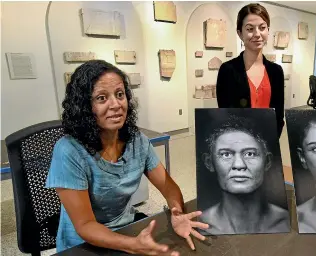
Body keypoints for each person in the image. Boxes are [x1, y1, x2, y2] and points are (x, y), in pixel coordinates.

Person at [45, 60, 209, 255]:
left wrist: (177, 213)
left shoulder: (137, 141)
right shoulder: (69, 151)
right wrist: (134, 246)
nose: (116, 105)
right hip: (82, 244)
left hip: (126, 229)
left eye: (120, 94)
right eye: (102, 98)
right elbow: (85, 225)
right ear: (85, 106)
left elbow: (168, 186)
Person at [199, 115, 290, 235]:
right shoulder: (201, 224)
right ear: (209, 162)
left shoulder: (285, 221)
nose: (239, 165)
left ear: (267, 161)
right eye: (226, 154)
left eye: (250, 154)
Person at [215, 3, 285, 138]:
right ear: (240, 33)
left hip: (267, 143)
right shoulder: (228, 70)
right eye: (250, 29)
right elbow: (225, 116)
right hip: (238, 145)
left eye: (262, 28)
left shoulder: (276, 71)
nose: (257, 34)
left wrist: (271, 143)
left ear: (268, 30)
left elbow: (278, 116)